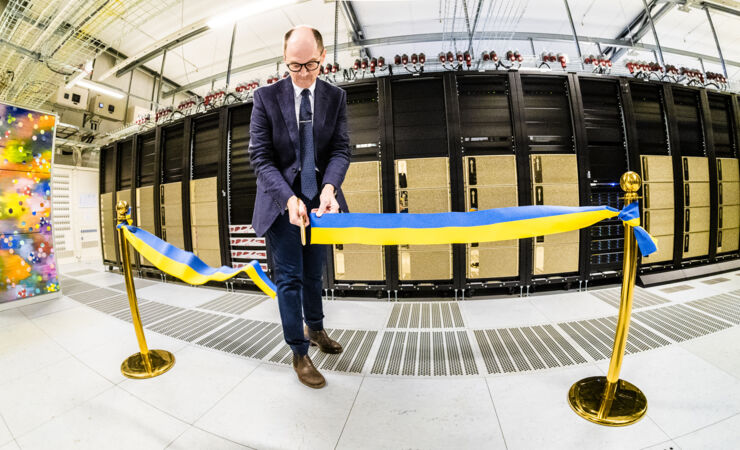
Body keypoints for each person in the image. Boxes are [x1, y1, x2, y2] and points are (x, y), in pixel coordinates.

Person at [248, 25, 350, 389]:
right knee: (289, 278)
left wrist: (329, 188)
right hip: (280, 202)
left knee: (314, 274)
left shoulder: (335, 98)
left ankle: (317, 329)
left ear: (323, 57)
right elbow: (260, 158)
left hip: (319, 201)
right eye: (294, 66)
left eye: (311, 65)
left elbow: (340, 150)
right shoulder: (265, 98)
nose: (303, 74)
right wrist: (288, 199)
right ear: (285, 60)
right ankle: (298, 351)